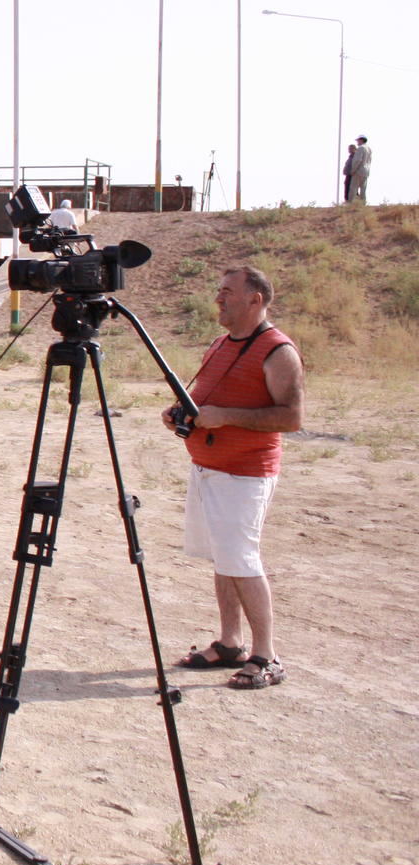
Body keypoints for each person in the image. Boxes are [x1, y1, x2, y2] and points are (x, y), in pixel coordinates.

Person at [165, 266, 302, 691]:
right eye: (219, 290)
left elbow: (291, 417)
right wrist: (180, 414)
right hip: (208, 468)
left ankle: (267, 656)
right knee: (223, 559)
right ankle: (230, 643)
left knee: (241, 560)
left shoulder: (278, 351)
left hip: (245, 473)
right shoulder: (220, 344)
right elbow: (204, 397)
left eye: (227, 291)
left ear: (255, 299)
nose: (218, 298)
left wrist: (225, 417)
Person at [344, 136, 372, 203]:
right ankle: (362, 204)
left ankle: (351, 204)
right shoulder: (369, 149)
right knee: (363, 189)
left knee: (353, 189)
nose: (357, 142)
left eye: (358, 140)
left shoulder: (361, 148)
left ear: (361, 140)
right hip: (366, 171)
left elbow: (357, 160)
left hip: (358, 171)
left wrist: (353, 170)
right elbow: (369, 160)